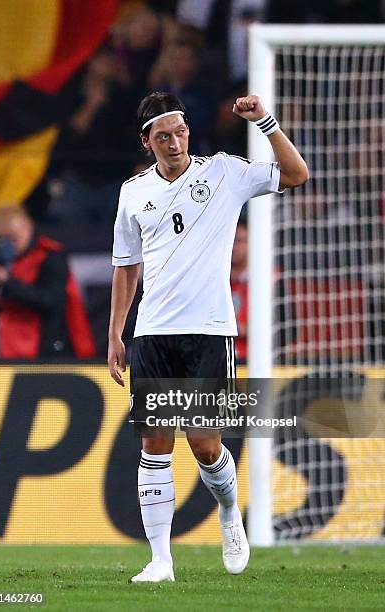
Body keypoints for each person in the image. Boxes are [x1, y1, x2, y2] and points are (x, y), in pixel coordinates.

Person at [108, 91, 309, 582]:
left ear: (188, 132)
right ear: (146, 142)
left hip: (209, 330)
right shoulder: (133, 192)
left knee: (202, 443)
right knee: (155, 445)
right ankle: (160, 561)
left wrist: (264, 122)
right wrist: (116, 331)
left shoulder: (223, 172)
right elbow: (125, 266)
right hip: (153, 333)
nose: (174, 142)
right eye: (163, 136)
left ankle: (228, 510)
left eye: (180, 132)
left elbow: (297, 173)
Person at [0, 206, 96, 359]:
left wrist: (10, 284)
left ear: (28, 227)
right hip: (9, 345)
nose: (10, 246)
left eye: (14, 238)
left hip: (44, 346)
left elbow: (51, 299)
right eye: (4, 240)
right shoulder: (0, 261)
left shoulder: (50, 256)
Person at [231, 218, 248, 362]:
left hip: (251, 357)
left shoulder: (266, 282)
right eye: (231, 240)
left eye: (239, 241)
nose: (234, 246)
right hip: (220, 357)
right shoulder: (212, 279)